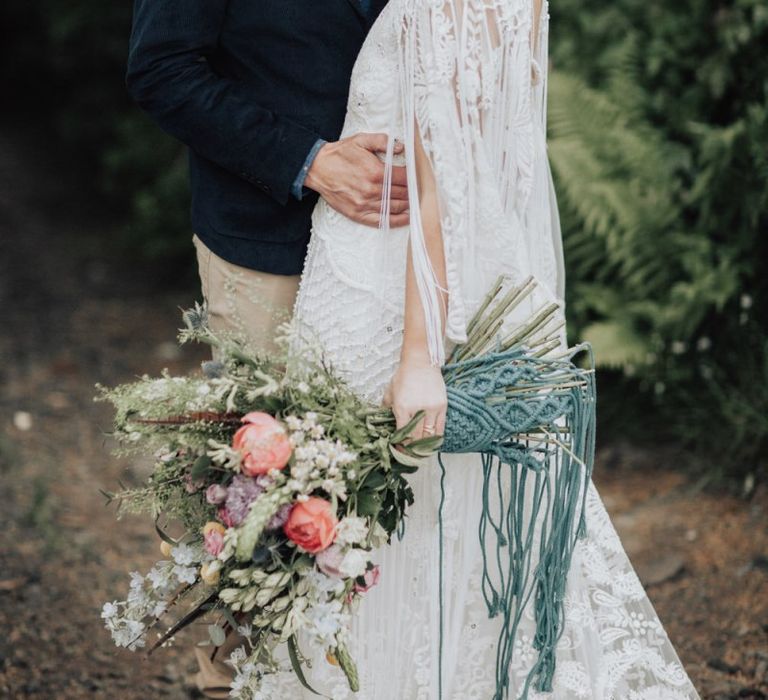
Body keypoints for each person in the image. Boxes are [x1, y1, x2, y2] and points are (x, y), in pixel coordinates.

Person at [285, 0, 703, 698]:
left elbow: (442, 184)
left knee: (405, 537)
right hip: (453, 282)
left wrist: (419, 357)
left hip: (395, 301)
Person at [124, 0, 403, 696]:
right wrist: (307, 161)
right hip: (265, 240)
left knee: (381, 484)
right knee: (258, 489)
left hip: (396, 251)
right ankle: (232, 682)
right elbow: (160, 68)